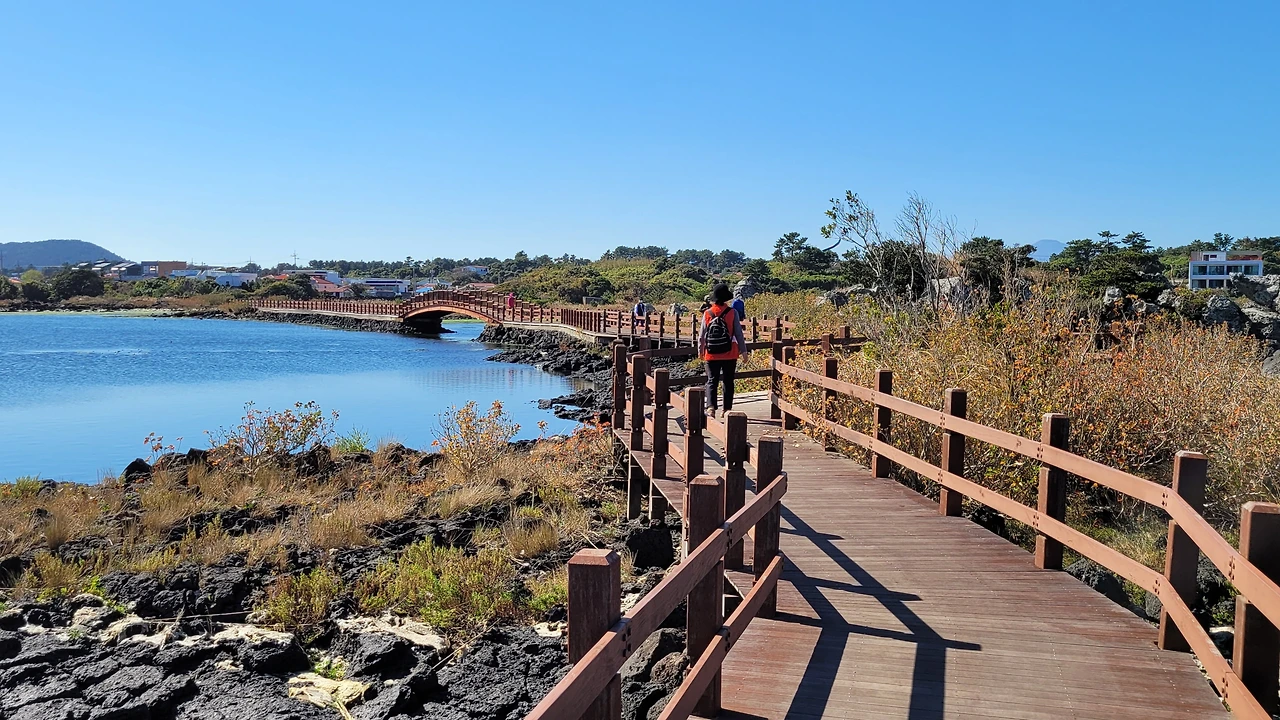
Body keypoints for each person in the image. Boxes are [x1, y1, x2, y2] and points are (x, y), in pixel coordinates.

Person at [698, 283, 746, 418]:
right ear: (726, 299)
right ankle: (726, 409)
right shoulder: (732, 312)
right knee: (728, 381)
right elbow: (738, 333)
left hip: (711, 353)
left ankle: (711, 407)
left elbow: (702, 335)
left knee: (711, 380)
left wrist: (700, 350)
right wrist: (744, 351)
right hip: (730, 353)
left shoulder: (707, 313)